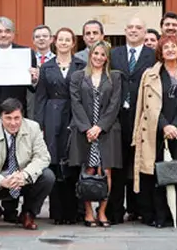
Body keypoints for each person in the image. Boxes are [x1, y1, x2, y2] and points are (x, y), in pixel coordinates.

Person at [132, 35, 177, 228]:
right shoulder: (150, 74)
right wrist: (165, 125)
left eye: (174, 47)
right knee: (158, 174)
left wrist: (176, 125)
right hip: (156, 130)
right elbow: (146, 105)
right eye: (166, 47)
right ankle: (160, 217)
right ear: (160, 52)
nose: (170, 50)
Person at [0, 98, 54, 230]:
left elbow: (43, 157)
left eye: (17, 118)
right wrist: (0, 181)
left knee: (47, 176)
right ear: (0, 117)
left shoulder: (33, 128)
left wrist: (25, 175)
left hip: (23, 177)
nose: (13, 123)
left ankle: (28, 213)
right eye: (8, 118)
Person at [34, 27, 85, 225]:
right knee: (54, 163)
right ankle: (57, 212)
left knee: (73, 161)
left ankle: (74, 211)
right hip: (52, 114)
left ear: (73, 43)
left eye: (67, 40)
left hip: (74, 113)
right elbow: (40, 98)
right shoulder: (46, 67)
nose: (63, 43)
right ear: (55, 42)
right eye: (60, 40)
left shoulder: (81, 65)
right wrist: (39, 124)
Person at [69, 40, 122, 228]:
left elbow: (115, 105)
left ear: (107, 57)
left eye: (102, 54)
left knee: (106, 171)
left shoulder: (114, 77)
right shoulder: (77, 76)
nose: (98, 57)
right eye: (95, 54)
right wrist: (87, 128)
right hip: (85, 132)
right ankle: (89, 212)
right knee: (88, 171)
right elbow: (75, 103)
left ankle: (102, 212)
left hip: (107, 131)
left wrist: (100, 127)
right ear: (89, 55)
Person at [108, 17, 156, 223]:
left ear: (145, 32)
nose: (134, 30)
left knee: (142, 165)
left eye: (138, 28)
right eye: (130, 27)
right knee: (118, 166)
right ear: (124, 31)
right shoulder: (114, 54)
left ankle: (144, 211)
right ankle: (114, 212)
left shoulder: (153, 55)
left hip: (142, 117)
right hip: (117, 118)